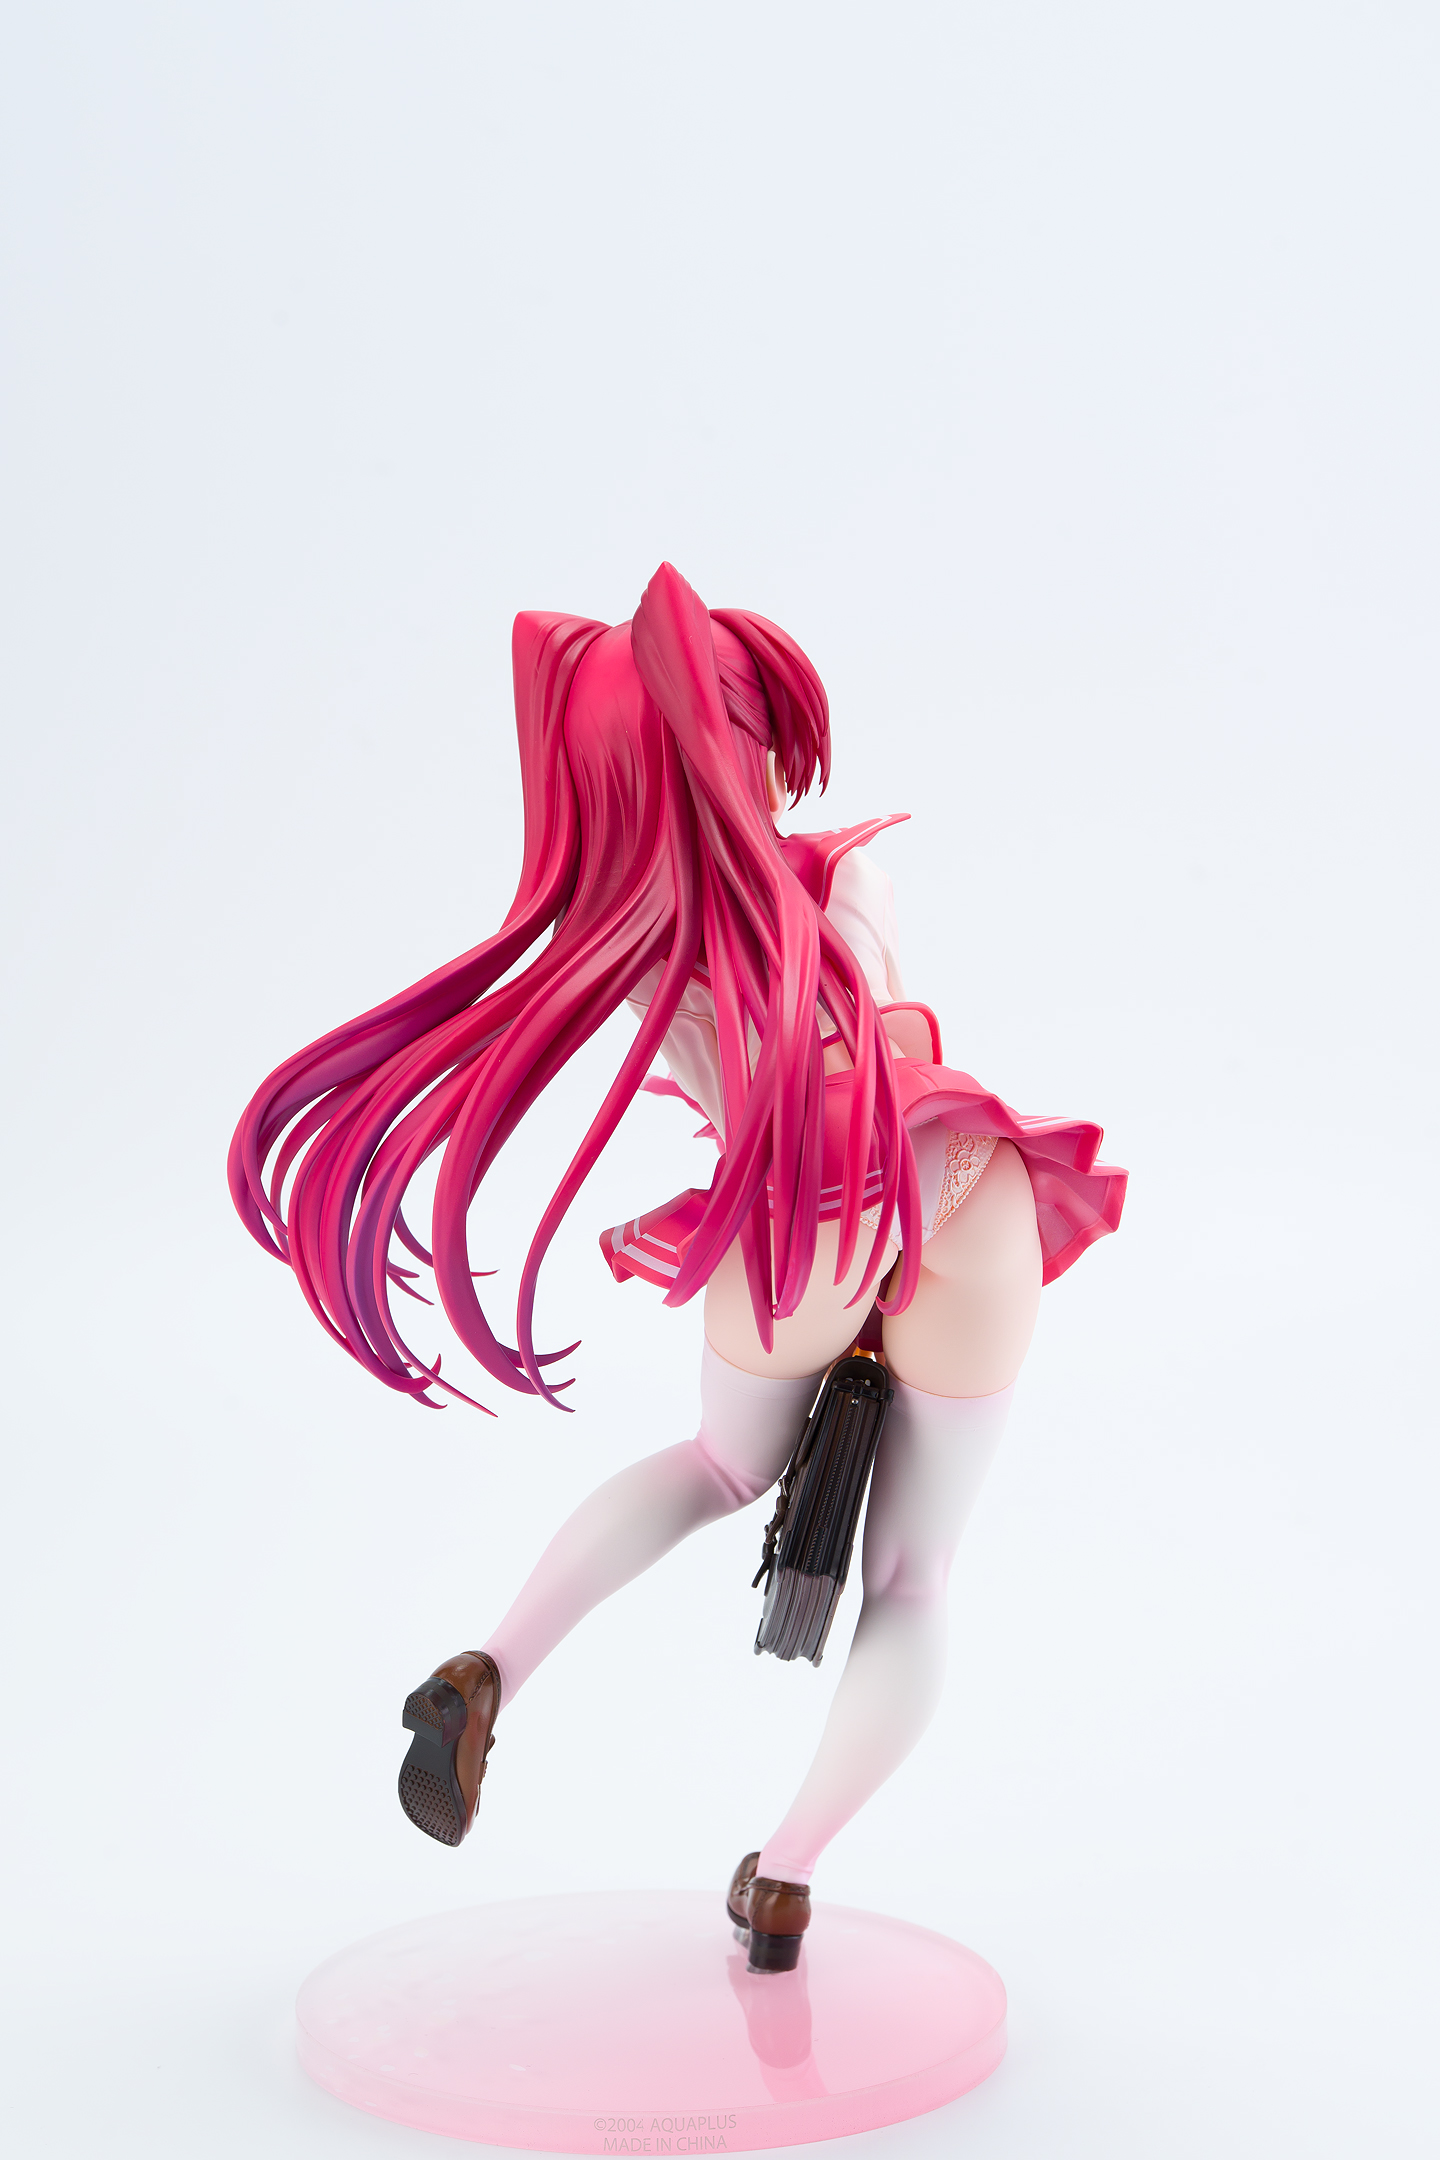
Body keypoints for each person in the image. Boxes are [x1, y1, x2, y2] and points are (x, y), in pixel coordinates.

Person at [229, 562, 1125, 1974]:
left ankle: (488, 1671)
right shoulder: (848, 875)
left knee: (717, 1468)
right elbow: (879, 1036)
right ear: (741, 750)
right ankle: (785, 1878)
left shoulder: (645, 962)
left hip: (798, 1224)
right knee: (911, 1579)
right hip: (961, 1188)